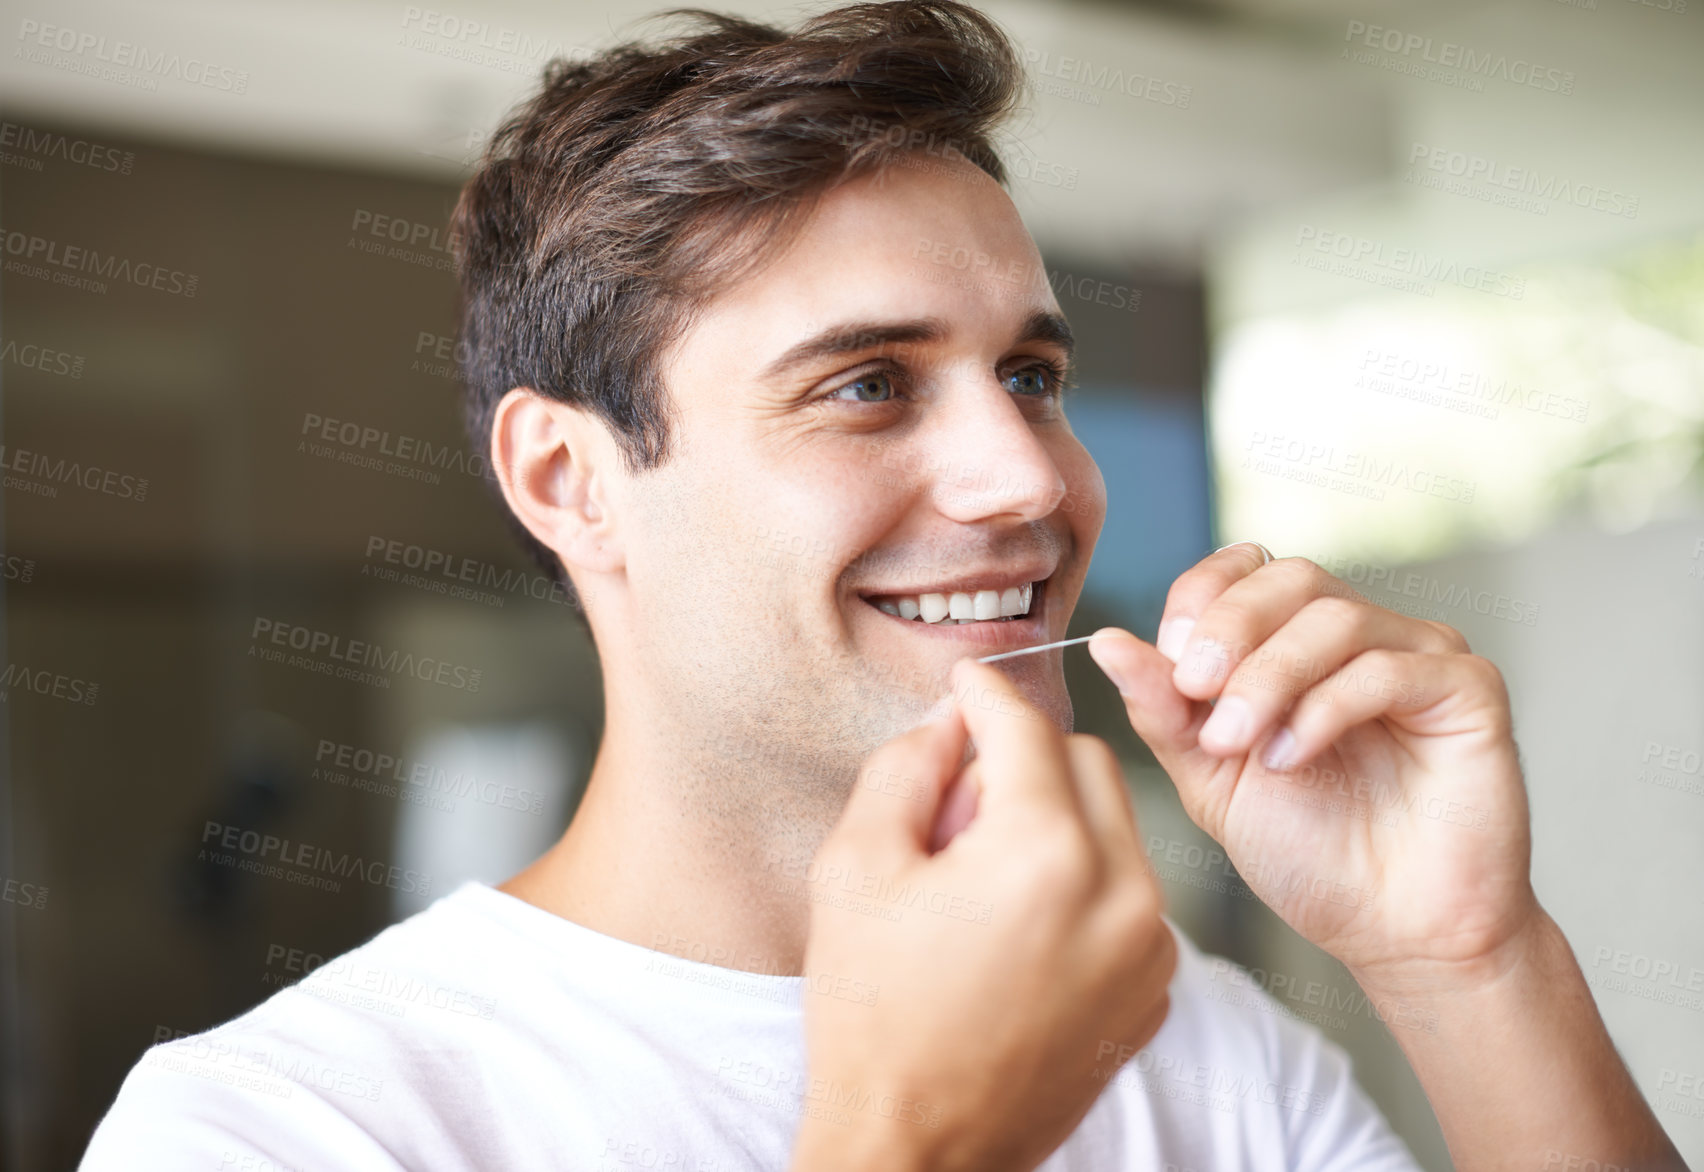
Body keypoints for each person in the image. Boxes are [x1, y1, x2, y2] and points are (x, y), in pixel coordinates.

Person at [82, 2, 1684, 1169]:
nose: (1033, 481)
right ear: (571, 483)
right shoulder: (287, 1126)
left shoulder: (1186, 1034)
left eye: (1034, 375)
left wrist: (1467, 961)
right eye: (866, 385)